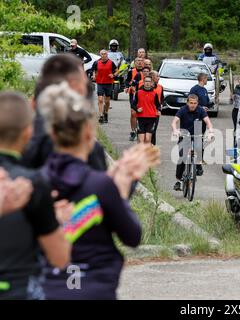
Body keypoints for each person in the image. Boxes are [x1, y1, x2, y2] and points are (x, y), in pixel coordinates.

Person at [37, 82, 159, 300]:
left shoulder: (32, 183)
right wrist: (122, 187)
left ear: (52, 133)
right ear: (88, 134)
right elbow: (132, 235)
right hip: (94, 287)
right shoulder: (101, 185)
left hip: (46, 287)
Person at [0, 92, 70, 300]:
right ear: (28, 133)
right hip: (19, 289)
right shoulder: (32, 184)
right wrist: (57, 224)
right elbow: (59, 257)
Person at [22, 54, 108, 172]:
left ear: (32, 102)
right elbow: (99, 187)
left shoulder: (16, 142)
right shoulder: (89, 150)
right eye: (86, 88)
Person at [171, 94, 214, 191]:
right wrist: (175, 130)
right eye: (191, 103)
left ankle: (197, 167)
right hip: (184, 136)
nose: (193, 105)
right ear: (187, 102)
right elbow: (174, 122)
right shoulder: (182, 110)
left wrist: (211, 131)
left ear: (197, 103)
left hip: (196, 136)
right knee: (182, 157)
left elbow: (208, 122)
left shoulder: (200, 110)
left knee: (198, 149)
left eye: (195, 103)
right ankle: (178, 179)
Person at [92, 49, 118, 124]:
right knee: (100, 99)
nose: (103, 55)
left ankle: (106, 112)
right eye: (102, 54)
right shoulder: (96, 62)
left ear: (107, 54)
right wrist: (94, 75)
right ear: (100, 54)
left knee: (107, 101)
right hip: (100, 83)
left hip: (108, 83)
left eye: (105, 54)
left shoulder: (111, 63)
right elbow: (93, 70)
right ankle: (100, 115)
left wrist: (113, 75)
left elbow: (117, 71)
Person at [132, 77, 160, 144]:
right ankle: (141, 153)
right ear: (143, 83)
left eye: (149, 81)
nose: (147, 83)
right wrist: (137, 109)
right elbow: (133, 104)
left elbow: (158, 105)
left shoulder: (154, 94)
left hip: (151, 118)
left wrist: (159, 110)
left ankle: (147, 153)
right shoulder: (138, 93)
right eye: (146, 81)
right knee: (141, 140)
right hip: (141, 118)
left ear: (151, 83)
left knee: (147, 139)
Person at [126, 58, 144, 141]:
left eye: (141, 61)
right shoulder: (131, 71)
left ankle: (141, 130)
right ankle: (133, 131)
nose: (140, 63)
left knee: (141, 113)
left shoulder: (146, 72)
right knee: (133, 113)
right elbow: (127, 81)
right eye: (138, 61)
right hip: (133, 94)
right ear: (135, 63)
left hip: (144, 95)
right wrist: (128, 86)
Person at [150, 71, 164, 145]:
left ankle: (152, 145)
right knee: (147, 131)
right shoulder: (145, 86)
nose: (159, 78)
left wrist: (161, 105)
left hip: (156, 112)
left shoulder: (160, 87)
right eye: (157, 76)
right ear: (152, 77)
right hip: (147, 111)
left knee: (154, 130)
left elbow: (162, 98)